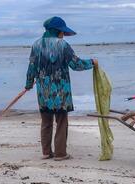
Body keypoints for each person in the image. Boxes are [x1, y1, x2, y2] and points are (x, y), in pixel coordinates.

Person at [25, 16, 98, 161]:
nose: (63, 34)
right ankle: (60, 153)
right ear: (57, 31)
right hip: (60, 91)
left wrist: (28, 84)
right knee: (61, 122)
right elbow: (76, 64)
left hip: (43, 91)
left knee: (46, 122)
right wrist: (92, 62)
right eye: (62, 32)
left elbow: (31, 67)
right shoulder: (63, 45)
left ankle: (46, 152)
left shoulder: (36, 45)